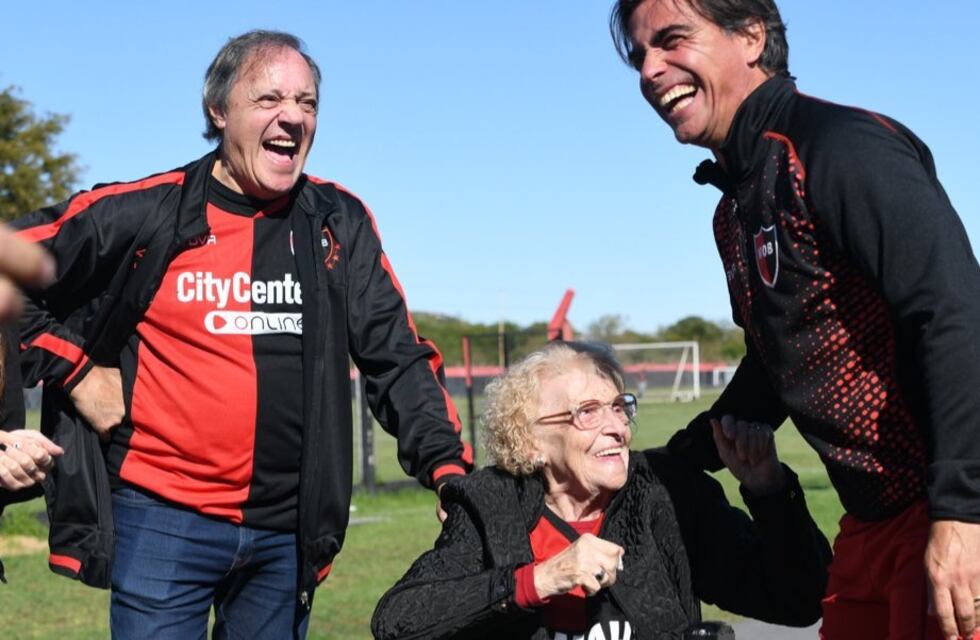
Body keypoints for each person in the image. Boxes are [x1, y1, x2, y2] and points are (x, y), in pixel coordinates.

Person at [11, 30, 470, 638]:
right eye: (270, 99)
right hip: (160, 520)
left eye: (307, 103)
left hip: (289, 537)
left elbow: (397, 355)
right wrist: (75, 369)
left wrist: (447, 467)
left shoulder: (338, 224)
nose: (293, 117)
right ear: (219, 110)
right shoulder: (146, 211)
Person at [608, 1, 980, 638]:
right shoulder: (733, 210)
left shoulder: (842, 148)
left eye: (672, 40)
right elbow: (781, 356)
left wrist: (963, 513)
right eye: (639, 54)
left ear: (751, 36)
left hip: (949, 511)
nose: (650, 69)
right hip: (871, 523)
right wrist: (672, 458)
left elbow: (952, 314)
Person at [372, 342, 830, 639]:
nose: (616, 428)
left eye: (618, 407)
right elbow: (398, 620)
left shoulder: (667, 494)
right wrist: (542, 578)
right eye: (586, 412)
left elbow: (799, 601)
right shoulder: (490, 503)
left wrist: (770, 494)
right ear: (531, 441)